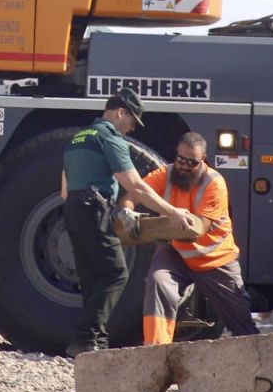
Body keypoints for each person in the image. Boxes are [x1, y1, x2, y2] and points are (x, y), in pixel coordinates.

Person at [59, 89, 193, 357]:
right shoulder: (110, 139)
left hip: (72, 210)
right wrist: (172, 212)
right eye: (132, 121)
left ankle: (96, 343)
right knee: (115, 273)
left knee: (93, 278)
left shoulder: (76, 139)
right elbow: (136, 187)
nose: (131, 129)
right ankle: (84, 339)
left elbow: (63, 190)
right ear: (120, 112)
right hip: (94, 210)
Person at [138, 131, 260, 344]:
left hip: (216, 260)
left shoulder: (214, 184)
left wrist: (168, 222)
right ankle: (155, 351)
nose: (184, 166)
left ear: (203, 161)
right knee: (159, 281)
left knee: (242, 324)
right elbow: (135, 192)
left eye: (191, 163)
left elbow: (199, 229)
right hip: (178, 254)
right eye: (181, 160)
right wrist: (128, 210)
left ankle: (257, 357)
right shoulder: (165, 174)